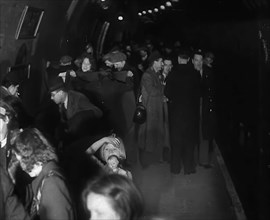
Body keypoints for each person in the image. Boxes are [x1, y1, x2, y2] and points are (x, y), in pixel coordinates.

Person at [11, 128, 76, 220]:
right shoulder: (46, 176)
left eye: (22, 160)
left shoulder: (52, 184)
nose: (22, 167)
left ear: (29, 155)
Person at [165, 48, 201, 175]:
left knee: (176, 142)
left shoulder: (172, 74)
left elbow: (167, 92)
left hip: (176, 114)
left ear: (179, 59)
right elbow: (199, 93)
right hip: (191, 114)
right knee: (189, 142)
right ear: (189, 60)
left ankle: (175, 168)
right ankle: (189, 168)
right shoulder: (195, 74)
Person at [48, 76, 103, 146]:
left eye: (53, 95)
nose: (51, 98)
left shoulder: (78, 98)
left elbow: (98, 112)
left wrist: (78, 118)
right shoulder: (61, 103)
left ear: (61, 92)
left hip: (85, 139)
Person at [138, 51, 167, 167]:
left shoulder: (157, 74)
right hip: (149, 109)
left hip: (156, 108)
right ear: (154, 62)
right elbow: (152, 91)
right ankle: (146, 161)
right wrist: (164, 94)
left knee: (155, 133)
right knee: (148, 134)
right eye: (161, 62)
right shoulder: (147, 75)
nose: (162, 65)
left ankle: (155, 157)